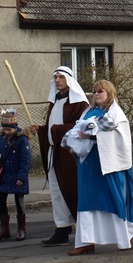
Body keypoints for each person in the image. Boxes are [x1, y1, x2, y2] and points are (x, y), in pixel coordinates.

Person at [64, 80, 133, 254]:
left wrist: (90, 134)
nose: (96, 94)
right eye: (94, 91)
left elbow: (114, 131)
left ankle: (127, 235)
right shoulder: (89, 111)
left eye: (101, 91)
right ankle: (85, 241)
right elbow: (80, 128)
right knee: (86, 201)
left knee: (111, 200)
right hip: (88, 164)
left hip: (107, 165)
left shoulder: (115, 112)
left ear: (109, 93)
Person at [31, 66, 89, 246]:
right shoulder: (55, 101)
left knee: (73, 190)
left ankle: (85, 228)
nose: (57, 81)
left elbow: (81, 127)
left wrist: (55, 130)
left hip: (70, 155)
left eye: (61, 78)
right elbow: (51, 126)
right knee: (56, 192)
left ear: (69, 80)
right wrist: (41, 130)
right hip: (53, 153)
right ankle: (62, 228)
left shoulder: (80, 104)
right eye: (55, 78)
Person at [0, 108, 32, 241]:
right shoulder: (2, 139)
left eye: (9, 130)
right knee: (1, 200)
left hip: (17, 175)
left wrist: (21, 177)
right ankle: (4, 228)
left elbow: (26, 160)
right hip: (5, 174)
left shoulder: (22, 140)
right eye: (4, 130)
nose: (6, 132)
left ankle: (21, 229)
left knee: (19, 200)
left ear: (15, 128)